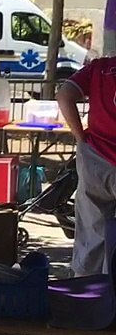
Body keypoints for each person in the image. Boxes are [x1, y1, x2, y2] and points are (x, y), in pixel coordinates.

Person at [58, 63, 116, 276]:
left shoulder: (99, 68)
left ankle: (87, 290)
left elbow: (64, 95)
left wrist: (80, 137)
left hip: (96, 158)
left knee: (92, 230)